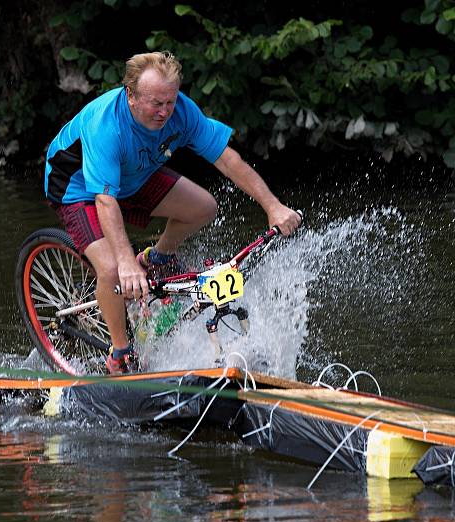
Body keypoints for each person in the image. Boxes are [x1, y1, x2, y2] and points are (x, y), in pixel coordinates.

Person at [44, 51, 301, 374]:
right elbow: (105, 201)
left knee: (203, 207)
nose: (165, 112)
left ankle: (159, 258)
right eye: (156, 103)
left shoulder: (181, 111)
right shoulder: (106, 126)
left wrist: (272, 206)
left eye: (170, 101)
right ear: (131, 97)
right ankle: (120, 353)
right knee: (110, 270)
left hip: (131, 175)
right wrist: (124, 261)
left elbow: (227, 159)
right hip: (78, 187)